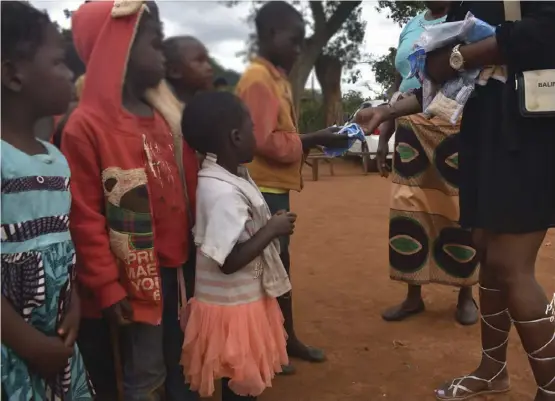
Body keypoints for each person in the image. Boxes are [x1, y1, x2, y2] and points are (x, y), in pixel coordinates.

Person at [356, 2, 555, 399]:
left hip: (528, 134)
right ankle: (492, 370)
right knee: (485, 251)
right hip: (484, 137)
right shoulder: (460, 8)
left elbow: (546, 32)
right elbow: (439, 84)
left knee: (510, 264)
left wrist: (463, 55)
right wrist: (386, 110)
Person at [61, 2, 199, 401]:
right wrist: (106, 286)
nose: (163, 53)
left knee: (180, 358)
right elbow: (83, 218)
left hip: (178, 269)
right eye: (155, 44)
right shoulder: (86, 127)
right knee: (145, 372)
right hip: (133, 287)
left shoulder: (165, 117)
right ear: (115, 47)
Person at [235, 0, 349, 374]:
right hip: (261, 190)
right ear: (270, 35)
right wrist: (313, 138)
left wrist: (310, 138)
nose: (299, 49)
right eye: (294, 41)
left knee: (278, 266)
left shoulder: (273, 77)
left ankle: (284, 340)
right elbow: (262, 140)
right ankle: (274, 344)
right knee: (268, 268)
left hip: (272, 188)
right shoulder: (257, 79)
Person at [0, 2, 93, 400]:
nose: (71, 73)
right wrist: (29, 345)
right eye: (58, 62)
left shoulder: (55, 159)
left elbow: (57, 248)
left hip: (54, 347)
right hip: (12, 353)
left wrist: (72, 306)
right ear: (12, 75)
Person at [180, 90, 293, 400]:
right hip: (232, 309)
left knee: (238, 379)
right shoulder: (222, 193)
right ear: (235, 137)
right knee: (239, 384)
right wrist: (271, 230)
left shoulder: (229, 178)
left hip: (237, 304)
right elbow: (228, 262)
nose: (255, 134)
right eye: (251, 128)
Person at [376, 0, 479, 325]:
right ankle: (412, 295)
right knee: (409, 209)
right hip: (410, 124)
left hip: (455, 125)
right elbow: (401, 79)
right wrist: (385, 131)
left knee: (458, 210)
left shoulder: (467, 21)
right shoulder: (411, 26)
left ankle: (465, 295)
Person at [163, 35, 214, 104]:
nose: (209, 68)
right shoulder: (155, 111)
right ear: (174, 71)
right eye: (199, 61)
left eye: (208, 60)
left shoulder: (208, 106)